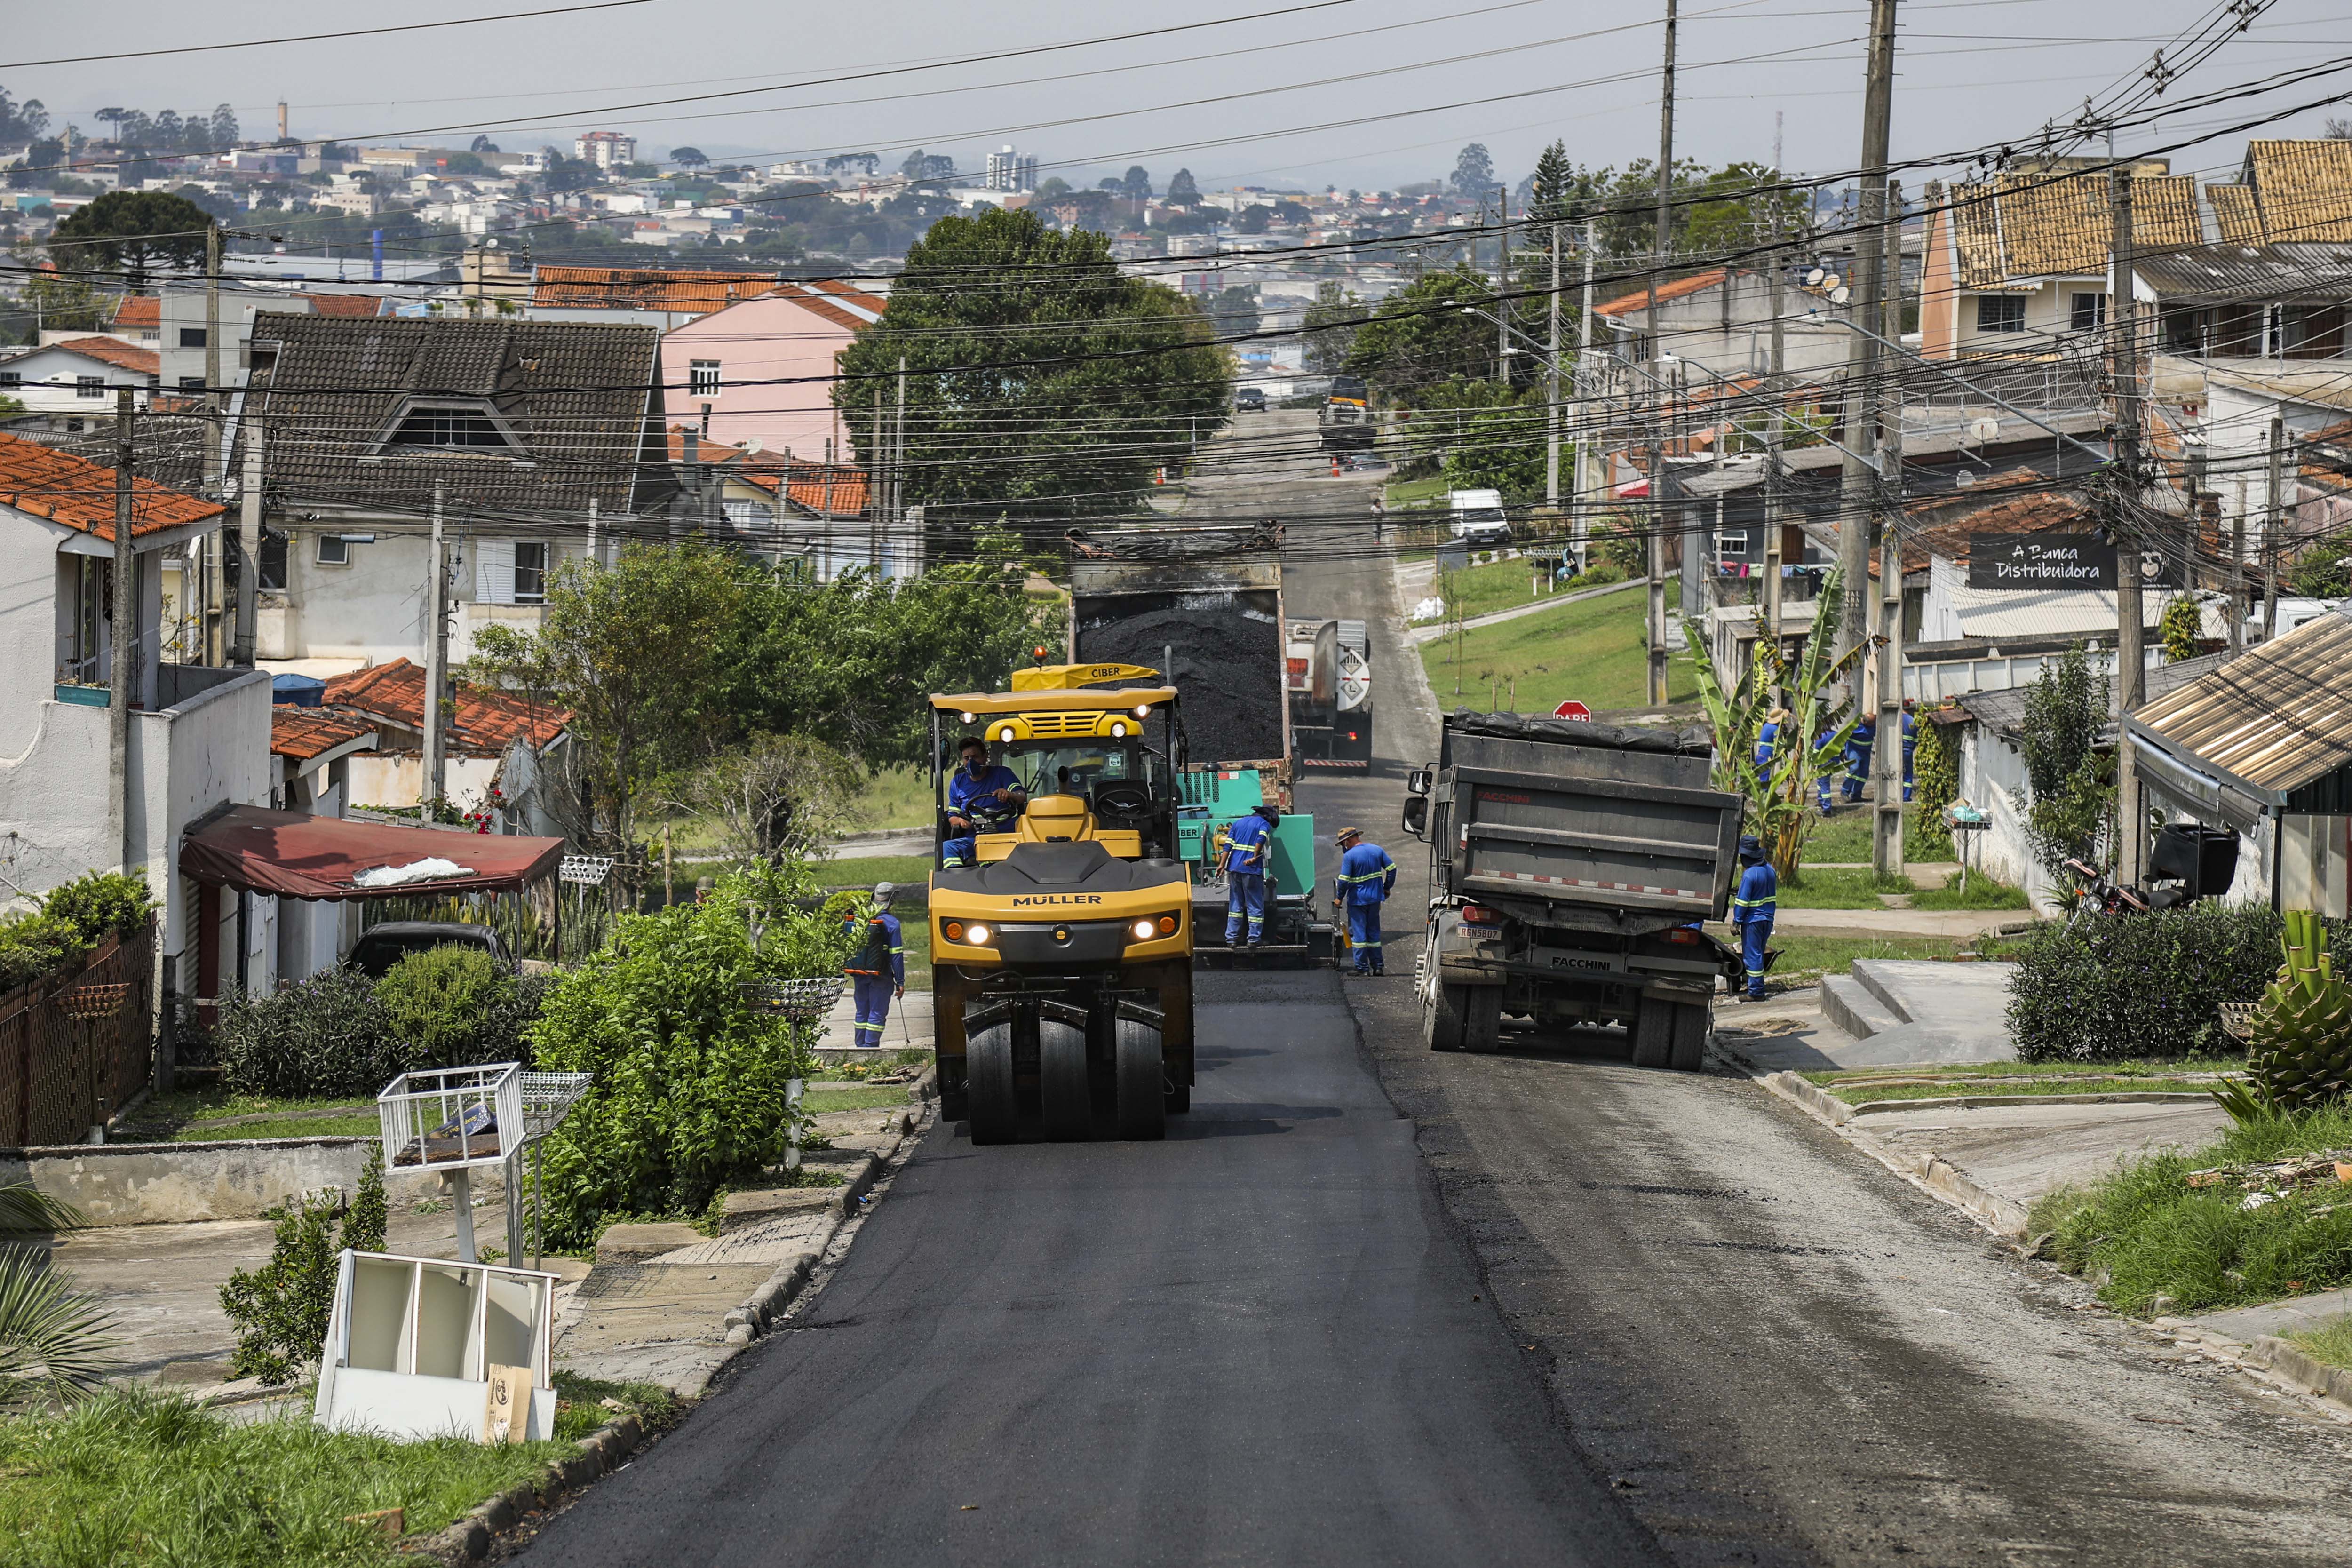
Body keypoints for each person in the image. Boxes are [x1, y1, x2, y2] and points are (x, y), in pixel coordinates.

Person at [942, 736, 1026, 868]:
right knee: (947, 848)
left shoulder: (1003, 774)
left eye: (975, 757)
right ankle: (958, 876)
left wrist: (1010, 794)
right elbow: (953, 818)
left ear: (985, 756)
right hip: (976, 839)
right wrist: (961, 822)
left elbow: (1022, 796)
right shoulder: (958, 783)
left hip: (1007, 837)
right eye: (967, 758)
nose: (971, 762)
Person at [843, 883, 906, 1048]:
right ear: (892, 901)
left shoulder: (859, 919)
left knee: (862, 1011)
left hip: (859, 975)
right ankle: (870, 1048)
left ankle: (860, 1047)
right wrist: (900, 981)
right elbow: (896, 955)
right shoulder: (892, 924)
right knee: (877, 1012)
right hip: (882, 976)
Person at [1332, 826, 1398, 975]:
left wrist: (1339, 898)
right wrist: (1387, 888)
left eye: (1343, 844)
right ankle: (1378, 967)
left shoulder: (1350, 857)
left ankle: (1362, 968)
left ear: (1348, 841)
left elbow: (1343, 881)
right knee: (1373, 933)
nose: (1344, 848)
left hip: (1358, 901)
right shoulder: (1377, 850)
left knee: (1359, 935)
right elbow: (1392, 868)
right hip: (1375, 900)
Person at [1221, 801, 1279, 948]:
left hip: (1235, 869)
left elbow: (1227, 845)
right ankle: (1253, 939)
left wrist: (1221, 865)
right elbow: (1261, 838)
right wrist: (1255, 855)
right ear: (1267, 817)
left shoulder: (1238, 823)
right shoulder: (1263, 824)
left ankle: (1231, 939)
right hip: (1251, 870)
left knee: (1236, 905)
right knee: (1255, 905)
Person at [1728, 836, 1777, 1002]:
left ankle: (1756, 992)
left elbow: (1742, 902)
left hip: (1753, 921)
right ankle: (1756, 986)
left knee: (1752, 956)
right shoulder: (1770, 870)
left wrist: (1736, 922)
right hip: (1768, 919)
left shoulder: (1750, 875)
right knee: (1758, 954)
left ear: (1746, 857)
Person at [1841, 716, 1875, 804]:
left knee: (1864, 774)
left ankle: (1856, 795)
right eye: (1872, 723)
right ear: (1866, 723)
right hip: (1854, 751)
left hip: (1866, 753)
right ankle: (1845, 792)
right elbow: (1843, 737)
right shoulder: (1855, 726)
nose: (1874, 724)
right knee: (1854, 769)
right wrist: (1843, 752)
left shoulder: (1874, 725)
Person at [1754, 705, 1789, 776]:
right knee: (1765, 780)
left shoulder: (1766, 726)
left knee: (1764, 779)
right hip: (1766, 758)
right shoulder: (1775, 729)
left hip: (1761, 756)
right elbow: (1779, 743)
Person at [1900, 700, 1919, 802]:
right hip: (1908, 751)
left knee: (1895, 772)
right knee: (1908, 774)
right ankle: (1906, 797)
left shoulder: (1897, 719)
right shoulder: (1913, 721)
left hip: (1896, 750)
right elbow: (1916, 740)